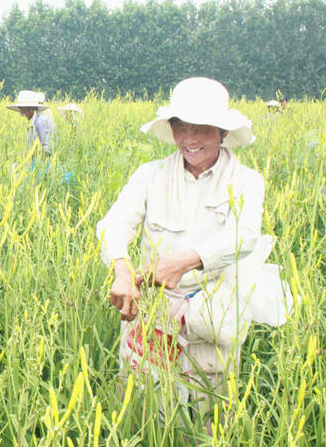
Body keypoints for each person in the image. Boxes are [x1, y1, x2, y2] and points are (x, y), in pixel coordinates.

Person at [96, 77, 292, 421]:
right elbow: (113, 225)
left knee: (207, 410)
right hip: (154, 309)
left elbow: (244, 236)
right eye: (180, 127)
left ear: (222, 133)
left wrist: (186, 261)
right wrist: (122, 269)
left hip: (211, 312)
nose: (189, 139)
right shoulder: (149, 175)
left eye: (201, 129)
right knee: (144, 402)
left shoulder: (247, 181)